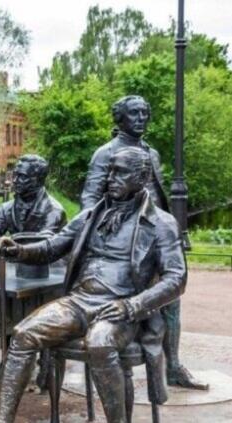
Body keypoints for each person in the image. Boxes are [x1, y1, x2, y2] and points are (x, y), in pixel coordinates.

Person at [0, 147, 186, 423]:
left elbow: (177, 278)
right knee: (23, 334)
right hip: (78, 302)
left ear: (142, 177)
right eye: (110, 171)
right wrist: (19, 250)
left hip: (123, 310)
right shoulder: (90, 215)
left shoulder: (162, 224)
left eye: (120, 172)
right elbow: (52, 247)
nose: (110, 178)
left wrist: (133, 305)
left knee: (100, 342)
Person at [79, 95, 204, 390]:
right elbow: (89, 200)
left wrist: (170, 229)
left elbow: (156, 195)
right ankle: (115, 364)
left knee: (170, 299)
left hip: (155, 237)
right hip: (125, 241)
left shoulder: (151, 153)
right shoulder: (105, 153)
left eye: (145, 113)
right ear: (119, 118)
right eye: (134, 113)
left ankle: (173, 366)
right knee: (124, 307)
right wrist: (99, 235)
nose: (141, 118)